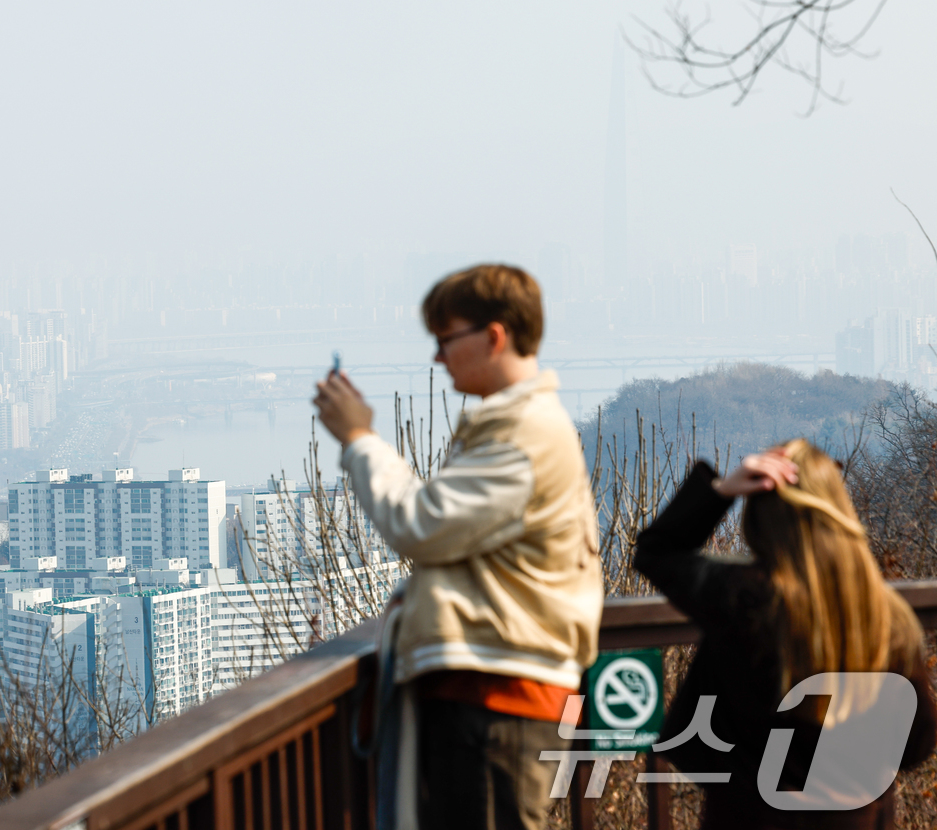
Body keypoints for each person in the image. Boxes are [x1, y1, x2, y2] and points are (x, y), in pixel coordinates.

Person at [313, 264, 602, 830]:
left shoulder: (523, 435)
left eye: (446, 339)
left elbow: (423, 524)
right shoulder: (524, 427)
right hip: (498, 688)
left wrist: (358, 439)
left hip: (499, 699)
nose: (438, 358)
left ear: (494, 336)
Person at [634, 440, 937, 829]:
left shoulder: (744, 599)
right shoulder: (885, 618)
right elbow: (916, 745)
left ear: (760, 520)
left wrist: (724, 488)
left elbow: (655, 552)